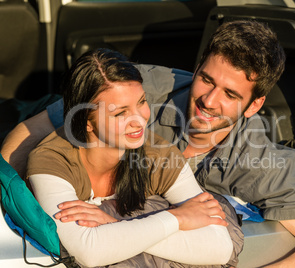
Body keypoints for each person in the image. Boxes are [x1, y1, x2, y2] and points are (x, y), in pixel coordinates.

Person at [1, 20, 295, 267]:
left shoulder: (261, 162)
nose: (209, 100)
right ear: (197, 66)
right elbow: (29, 133)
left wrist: (117, 226)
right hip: (36, 115)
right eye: (206, 79)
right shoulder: (147, 88)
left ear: (255, 105)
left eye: (230, 94)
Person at [24, 48, 239, 267]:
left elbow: (220, 248)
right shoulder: (52, 159)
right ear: (86, 121)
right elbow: (88, 252)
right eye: (120, 113)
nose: (139, 120)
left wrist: (114, 224)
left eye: (142, 102)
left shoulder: (158, 154)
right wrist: (179, 218)